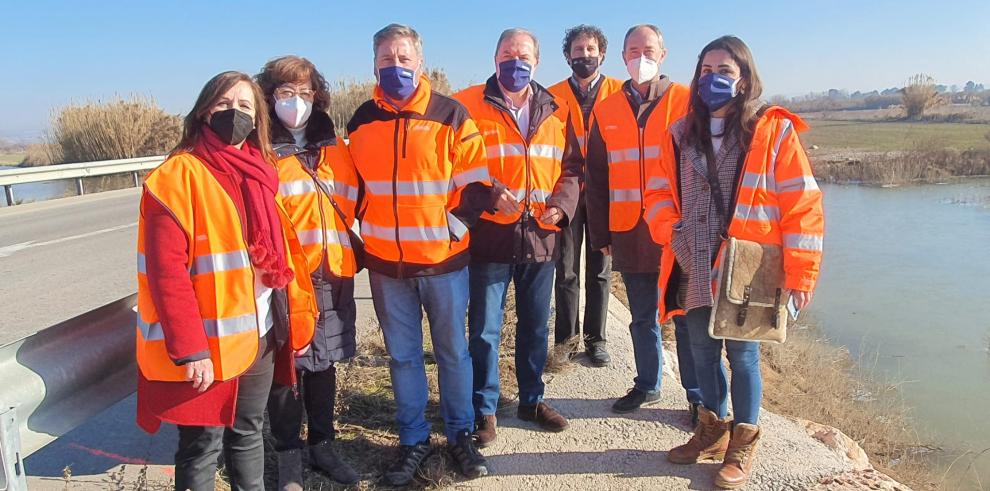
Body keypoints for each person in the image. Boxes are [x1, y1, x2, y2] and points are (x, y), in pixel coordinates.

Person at [646, 36, 824, 489]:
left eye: (724, 70)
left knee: (743, 357)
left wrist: (800, 274)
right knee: (702, 353)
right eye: (706, 70)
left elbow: (802, 204)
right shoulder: (680, 133)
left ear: (744, 78)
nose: (713, 78)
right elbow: (659, 195)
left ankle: (742, 444)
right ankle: (711, 428)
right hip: (694, 258)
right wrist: (674, 232)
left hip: (748, 270)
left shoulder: (772, 132)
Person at [135, 71, 318, 491]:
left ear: (258, 119)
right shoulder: (177, 176)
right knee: (202, 445)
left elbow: (281, 258)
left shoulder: (260, 172)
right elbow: (167, 273)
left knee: (249, 432)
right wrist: (190, 349)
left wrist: (293, 323)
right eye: (223, 104)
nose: (234, 114)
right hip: (206, 345)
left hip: (260, 333)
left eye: (245, 107)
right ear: (204, 111)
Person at [346, 23, 505, 486]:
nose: (395, 67)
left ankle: (460, 436)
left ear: (421, 62)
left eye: (403, 58)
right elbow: (353, 187)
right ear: (374, 64)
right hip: (386, 267)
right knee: (403, 357)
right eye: (386, 59)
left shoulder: (451, 114)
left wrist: (450, 231)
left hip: (442, 264)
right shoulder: (361, 120)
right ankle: (412, 440)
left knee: (453, 353)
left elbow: (476, 186)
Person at [454, 27, 580, 447]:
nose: (515, 60)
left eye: (523, 54)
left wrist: (561, 205)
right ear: (494, 58)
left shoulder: (557, 109)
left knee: (534, 328)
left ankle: (531, 400)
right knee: (485, 330)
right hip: (490, 236)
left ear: (537, 61)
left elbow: (573, 168)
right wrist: (489, 196)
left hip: (540, 238)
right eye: (507, 53)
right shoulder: (467, 104)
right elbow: (455, 167)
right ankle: (484, 410)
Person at [585, 24, 704, 419]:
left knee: (685, 319)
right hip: (629, 231)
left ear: (664, 53)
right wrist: (600, 233)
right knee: (641, 317)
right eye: (633, 51)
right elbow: (597, 178)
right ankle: (648, 384)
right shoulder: (605, 110)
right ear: (622, 57)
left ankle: (697, 393)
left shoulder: (687, 103)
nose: (641, 58)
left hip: (676, 233)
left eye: (648, 49)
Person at [256, 55, 360, 489]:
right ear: (268, 97)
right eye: (285, 92)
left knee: (325, 363)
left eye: (304, 92)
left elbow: (358, 203)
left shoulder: (335, 147)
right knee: (288, 366)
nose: (296, 101)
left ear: (317, 97)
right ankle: (288, 455)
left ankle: (323, 444)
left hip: (332, 273)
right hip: (285, 279)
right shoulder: (259, 150)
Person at [547, 24, 623, 367]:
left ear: (602, 54)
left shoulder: (620, 92)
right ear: (567, 56)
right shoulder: (550, 96)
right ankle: (566, 340)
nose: (585, 56)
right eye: (578, 50)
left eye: (591, 49)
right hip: (566, 190)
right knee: (565, 270)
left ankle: (596, 339)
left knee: (601, 270)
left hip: (606, 192)